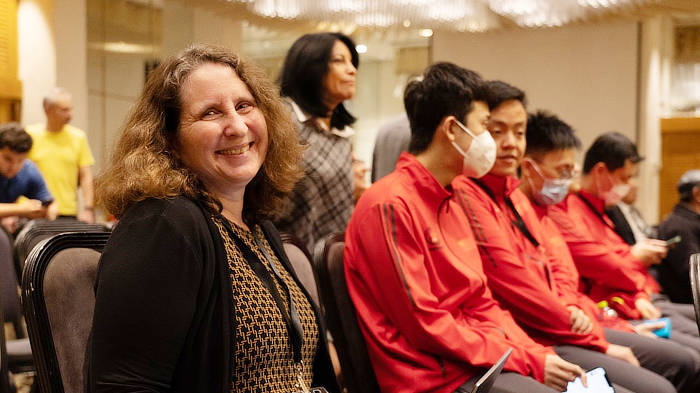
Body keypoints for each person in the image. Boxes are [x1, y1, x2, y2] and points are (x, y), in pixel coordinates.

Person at [87, 44, 338, 393]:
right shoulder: (162, 225)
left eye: (244, 106)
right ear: (169, 140)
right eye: (210, 113)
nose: (236, 126)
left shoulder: (257, 225)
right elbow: (124, 385)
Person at [345, 62, 588, 393]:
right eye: (486, 127)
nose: (493, 141)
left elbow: (480, 301)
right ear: (451, 129)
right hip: (434, 378)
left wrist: (534, 354)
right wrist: (525, 359)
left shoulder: (451, 198)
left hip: (475, 363)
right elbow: (425, 325)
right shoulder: (389, 203)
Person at [452, 83, 689, 393]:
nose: (510, 143)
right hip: (536, 334)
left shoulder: (518, 197)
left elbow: (559, 267)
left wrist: (576, 309)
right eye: (497, 131)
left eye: (519, 132)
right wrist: (586, 327)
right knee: (667, 375)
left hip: (571, 320)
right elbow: (517, 283)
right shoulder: (466, 195)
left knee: (683, 355)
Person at [547, 131, 700, 352]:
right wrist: (635, 263)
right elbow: (607, 266)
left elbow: (616, 258)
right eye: (625, 178)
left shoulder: (604, 210)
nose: (631, 185)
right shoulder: (566, 211)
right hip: (612, 309)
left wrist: (638, 290)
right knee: (689, 358)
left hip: (636, 298)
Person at [275, 32, 368, 250]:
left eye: (352, 62)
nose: (352, 70)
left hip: (333, 255)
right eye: (339, 61)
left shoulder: (340, 131)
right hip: (289, 252)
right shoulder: (283, 121)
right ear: (311, 68)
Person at [26, 88, 95, 222]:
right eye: (64, 110)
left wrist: (88, 208)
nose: (70, 114)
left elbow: (86, 176)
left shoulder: (78, 137)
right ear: (48, 110)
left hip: (67, 211)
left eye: (71, 109)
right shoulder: (30, 135)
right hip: (34, 211)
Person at [0, 122, 57, 232]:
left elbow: (51, 205)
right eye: (8, 159)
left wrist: (46, 213)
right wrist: (20, 210)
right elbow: (22, 209)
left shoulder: (29, 170)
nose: (14, 166)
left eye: (20, 160)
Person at [657, 169, 700, 304]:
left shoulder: (689, 222)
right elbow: (695, 276)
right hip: (686, 305)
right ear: (697, 194)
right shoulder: (678, 227)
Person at [606, 180, 655, 246]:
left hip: (645, 242)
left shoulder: (635, 210)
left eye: (636, 192)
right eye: (633, 192)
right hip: (632, 246)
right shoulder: (614, 209)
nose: (636, 195)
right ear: (625, 192)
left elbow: (644, 229)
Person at [371, 113, 410, 182]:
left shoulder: (384, 128)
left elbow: (374, 175)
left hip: (380, 188)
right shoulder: (422, 130)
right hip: (404, 189)